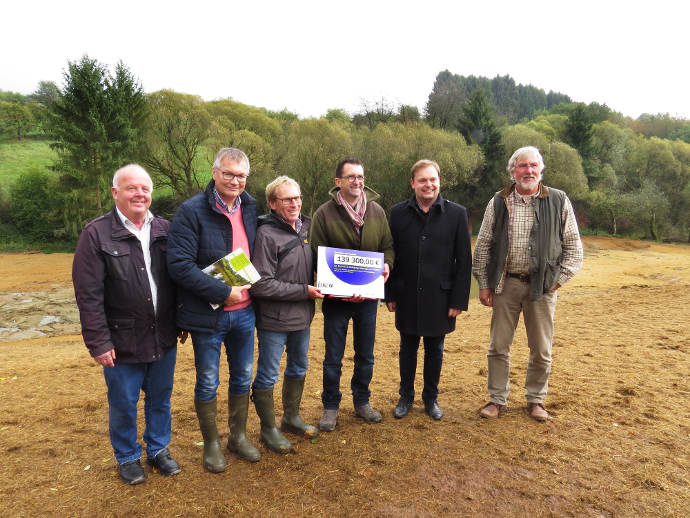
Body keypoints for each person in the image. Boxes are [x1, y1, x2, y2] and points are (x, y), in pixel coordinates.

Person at [72, 164, 182, 485]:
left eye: (145, 188)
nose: (140, 194)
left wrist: (184, 317)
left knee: (160, 397)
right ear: (115, 192)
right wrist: (99, 341)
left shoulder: (166, 228)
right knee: (123, 402)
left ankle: (159, 450)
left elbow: (180, 277)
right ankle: (128, 456)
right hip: (121, 339)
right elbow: (88, 294)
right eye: (131, 188)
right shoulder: (96, 234)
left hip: (163, 334)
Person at [473, 146, 583, 422]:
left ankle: (536, 400)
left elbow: (574, 248)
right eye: (522, 166)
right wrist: (484, 285)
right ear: (512, 171)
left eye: (533, 165)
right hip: (506, 285)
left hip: (542, 289)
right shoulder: (498, 201)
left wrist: (555, 283)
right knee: (498, 346)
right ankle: (497, 400)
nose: (528, 171)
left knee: (542, 349)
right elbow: (483, 245)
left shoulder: (558, 200)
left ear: (541, 170)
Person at [167, 147, 259, 471]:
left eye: (242, 176)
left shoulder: (250, 206)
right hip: (209, 315)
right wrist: (223, 292)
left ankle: (238, 437)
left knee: (242, 376)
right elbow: (178, 265)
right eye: (229, 174)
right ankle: (211, 446)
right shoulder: (191, 211)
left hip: (246, 313)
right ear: (214, 172)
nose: (235, 181)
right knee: (208, 380)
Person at [310, 158, 394, 431]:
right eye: (350, 177)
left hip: (368, 300)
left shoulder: (377, 212)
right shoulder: (324, 214)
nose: (357, 181)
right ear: (338, 182)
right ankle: (331, 406)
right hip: (336, 302)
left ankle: (362, 402)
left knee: (365, 355)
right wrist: (339, 291)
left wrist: (387, 265)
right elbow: (317, 254)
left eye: (360, 176)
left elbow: (388, 246)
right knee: (333, 356)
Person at [385, 159, 472, 420]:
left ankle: (430, 398)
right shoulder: (398, 213)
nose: (428, 184)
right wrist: (389, 293)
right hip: (406, 294)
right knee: (407, 348)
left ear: (439, 182)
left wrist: (458, 299)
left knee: (435, 350)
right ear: (412, 183)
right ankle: (406, 397)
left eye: (433, 179)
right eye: (422, 180)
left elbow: (464, 261)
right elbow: (392, 255)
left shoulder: (457, 213)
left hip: (441, 297)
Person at [250, 176, 323, 454]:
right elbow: (261, 284)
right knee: (268, 374)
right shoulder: (267, 235)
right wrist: (303, 291)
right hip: (274, 320)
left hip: (302, 318)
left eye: (297, 197)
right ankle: (268, 429)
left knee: (299, 368)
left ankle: (291, 417)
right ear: (272, 204)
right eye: (286, 199)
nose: (294, 203)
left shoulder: (306, 228)